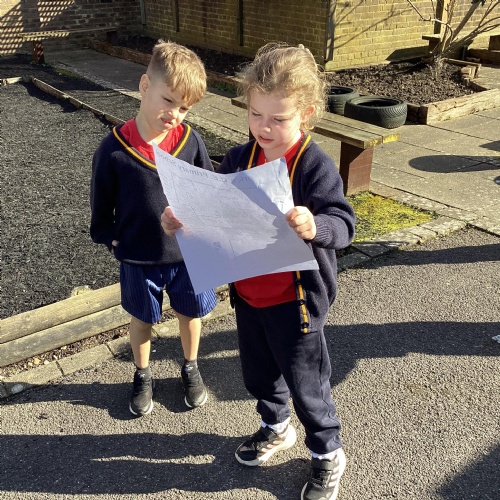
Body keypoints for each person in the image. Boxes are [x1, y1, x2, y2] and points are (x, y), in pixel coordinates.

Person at [161, 42, 355, 499]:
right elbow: (213, 212)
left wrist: (316, 225)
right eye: (255, 114)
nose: (264, 127)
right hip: (249, 294)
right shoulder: (239, 158)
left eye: (278, 118)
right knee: (259, 374)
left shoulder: (313, 164)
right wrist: (179, 220)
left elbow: (344, 223)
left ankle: (327, 453)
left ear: (306, 114)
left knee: (307, 384)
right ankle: (276, 426)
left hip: (297, 302)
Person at [90, 40, 217, 417]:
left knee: (190, 314)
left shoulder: (190, 141)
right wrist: (108, 236)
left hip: (187, 254)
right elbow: (100, 201)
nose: (175, 114)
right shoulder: (113, 149)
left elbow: (208, 189)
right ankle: (142, 373)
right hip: (138, 254)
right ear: (145, 86)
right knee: (142, 318)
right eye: (168, 100)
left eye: (184, 108)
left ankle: (191, 366)